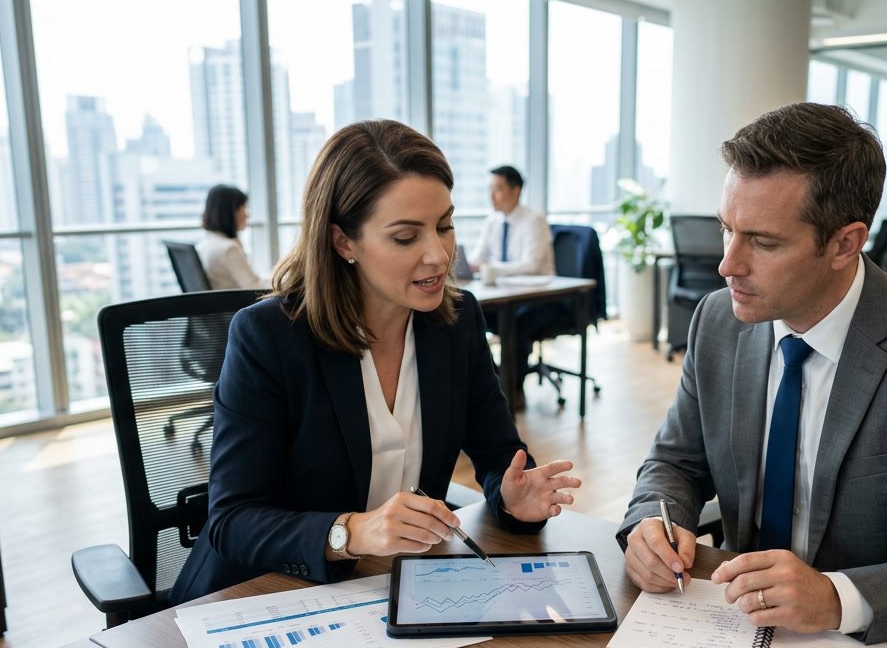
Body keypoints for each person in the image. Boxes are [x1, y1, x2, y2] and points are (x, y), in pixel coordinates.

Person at [618, 102, 887, 644]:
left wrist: (838, 598)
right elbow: (675, 461)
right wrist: (652, 522)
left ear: (845, 243)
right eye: (728, 230)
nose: (727, 265)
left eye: (763, 242)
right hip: (729, 628)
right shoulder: (717, 320)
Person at [171, 121, 580, 603]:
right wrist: (353, 532)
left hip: (394, 589)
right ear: (344, 242)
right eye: (406, 237)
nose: (439, 254)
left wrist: (512, 497)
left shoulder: (456, 320)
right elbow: (233, 520)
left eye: (445, 226)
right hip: (262, 593)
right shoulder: (269, 336)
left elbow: (498, 457)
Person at [469, 165, 563, 410]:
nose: (492, 196)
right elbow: (479, 257)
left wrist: (492, 268)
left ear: (516, 191)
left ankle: (512, 391)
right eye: (490, 189)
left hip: (540, 300)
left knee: (516, 325)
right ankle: (494, 383)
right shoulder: (492, 222)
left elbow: (531, 264)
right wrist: (472, 266)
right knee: (469, 318)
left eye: (498, 189)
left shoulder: (535, 220)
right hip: (504, 298)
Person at [196, 184, 267, 289]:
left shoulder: (205, 244)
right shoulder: (229, 249)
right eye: (243, 207)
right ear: (228, 212)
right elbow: (255, 288)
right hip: (238, 303)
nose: (247, 214)